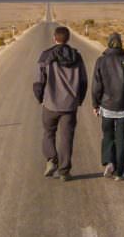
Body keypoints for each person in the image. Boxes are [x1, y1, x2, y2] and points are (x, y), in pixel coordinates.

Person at [32, 25, 87, 181]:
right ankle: (64, 171)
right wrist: (79, 100)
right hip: (70, 106)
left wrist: (40, 98)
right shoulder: (77, 56)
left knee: (48, 133)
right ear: (68, 38)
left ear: (54, 38)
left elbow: (38, 80)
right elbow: (83, 81)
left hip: (50, 104)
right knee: (67, 138)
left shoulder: (45, 56)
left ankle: (51, 160)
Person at [91, 32, 124, 181]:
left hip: (106, 106)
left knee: (108, 136)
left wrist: (95, 104)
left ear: (108, 44)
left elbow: (96, 86)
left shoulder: (101, 61)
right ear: (121, 44)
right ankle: (119, 172)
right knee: (121, 138)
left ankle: (110, 162)